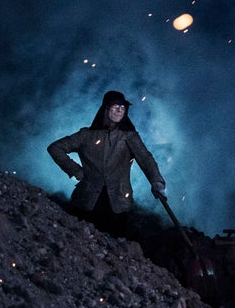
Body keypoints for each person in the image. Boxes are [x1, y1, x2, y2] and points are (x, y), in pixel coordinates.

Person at [48, 90, 167, 237]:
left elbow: (146, 159)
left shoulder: (129, 137)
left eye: (123, 107)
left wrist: (157, 182)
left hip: (118, 206)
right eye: (116, 106)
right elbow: (55, 148)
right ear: (105, 108)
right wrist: (76, 171)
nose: (119, 110)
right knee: (82, 241)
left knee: (114, 246)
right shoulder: (86, 135)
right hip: (86, 202)